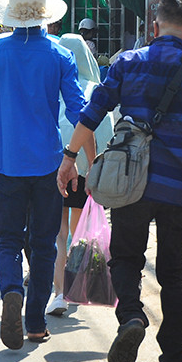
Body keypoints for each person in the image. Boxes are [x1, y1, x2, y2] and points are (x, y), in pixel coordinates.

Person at [58, 0, 182, 362]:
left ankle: (133, 317)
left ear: (153, 28)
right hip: (177, 190)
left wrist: (70, 157)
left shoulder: (127, 63)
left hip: (129, 185)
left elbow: (93, 111)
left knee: (124, 260)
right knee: (174, 276)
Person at [0, 0, 85, 349]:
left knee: (9, 241)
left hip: (7, 165)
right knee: (44, 246)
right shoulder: (60, 55)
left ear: (10, 15)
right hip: (48, 166)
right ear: (45, 15)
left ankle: (12, 290)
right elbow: (79, 113)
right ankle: (34, 325)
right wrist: (79, 158)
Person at [47, 33, 115, 317]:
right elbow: (106, 135)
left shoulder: (53, 89)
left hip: (56, 169)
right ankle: (79, 285)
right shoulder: (97, 91)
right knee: (79, 232)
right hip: (87, 171)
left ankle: (60, 294)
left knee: (59, 234)